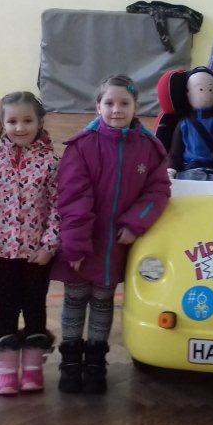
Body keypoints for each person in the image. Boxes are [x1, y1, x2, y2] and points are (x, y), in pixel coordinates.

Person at [51, 75, 171, 394]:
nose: (116, 109)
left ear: (136, 107)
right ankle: (70, 361)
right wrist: (75, 246)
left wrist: (135, 224)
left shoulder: (149, 148)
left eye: (124, 103)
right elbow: (72, 198)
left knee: (103, 302)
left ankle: (95, 362)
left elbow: (158, 190)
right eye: (109, 103)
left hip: (114, 246)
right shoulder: (82, 146)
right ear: (98, 107)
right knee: (75, 300)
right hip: (81, 244)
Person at [0, 91, 60, 395]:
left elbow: (59, 207)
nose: (20, 127)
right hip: (2, 254)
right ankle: (6, 370)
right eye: (12, 121)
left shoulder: (51, 162)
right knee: (6, 307)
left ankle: (33, 368)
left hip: (38, 255)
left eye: (27, 120)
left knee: (35, 306)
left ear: (40, 122)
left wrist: (49, 245)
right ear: (2, 123)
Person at [167, 67, 213, 182]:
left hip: (211, 172)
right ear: (188, 93)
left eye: (210, 90)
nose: (205, 94)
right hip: (187, 170)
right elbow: (175, 152)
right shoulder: (183, 123)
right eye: (200, 89)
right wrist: (171, 170)